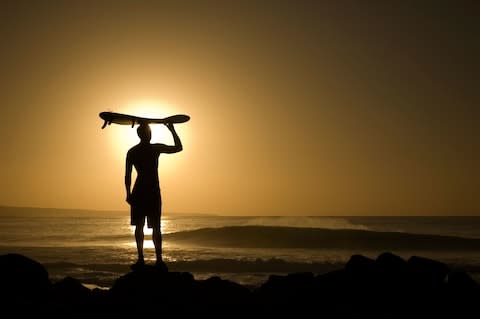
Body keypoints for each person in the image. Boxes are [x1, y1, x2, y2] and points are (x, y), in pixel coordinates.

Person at [125, 121, 183, 270]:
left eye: (150, 133)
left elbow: (128, 175)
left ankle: (152, 260)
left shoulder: (133, 151)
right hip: (150, 191)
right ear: (142, 134)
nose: (149, 135)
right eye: (147, 133)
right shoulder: (151, 149)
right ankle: (147, 259)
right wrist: (172, 130)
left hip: (144, 192)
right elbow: (127, 175)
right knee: (145, 227)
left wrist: (128, 194)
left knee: (149, 227)